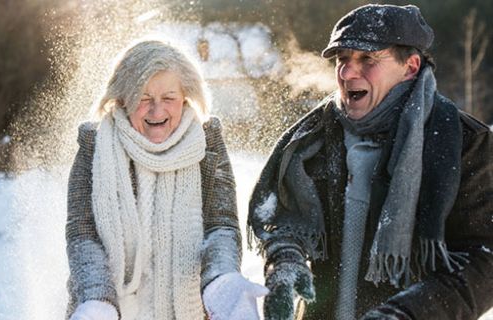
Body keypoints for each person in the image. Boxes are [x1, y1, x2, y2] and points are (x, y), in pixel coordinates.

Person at [248, 4, 493, 320]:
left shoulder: (464, 142)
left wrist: (405, 313)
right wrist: (285, 259)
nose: (348, 72)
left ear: (411, 66)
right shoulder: (315, 138)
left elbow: (484, 258)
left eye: (367, 59)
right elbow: (283, 220)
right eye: (342, 60)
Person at [65, 40, 267, 320]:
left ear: (186, 97)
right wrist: (98, 301)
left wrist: (221, 281)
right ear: (122, 99)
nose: (157, 111)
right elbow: (82, 234)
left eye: (169, 98)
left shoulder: (207, 143)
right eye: (143, 98)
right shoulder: (95, 145)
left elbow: (221, 225)